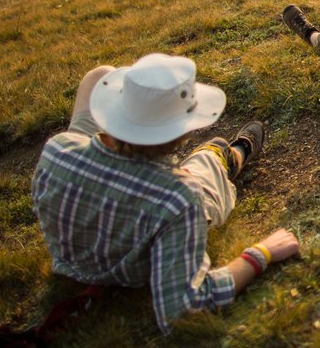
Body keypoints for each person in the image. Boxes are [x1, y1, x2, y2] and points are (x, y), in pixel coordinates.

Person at [32, 53, 300, 333]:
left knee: (100, 74)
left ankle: (214, 153)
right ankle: (230, 154)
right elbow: (181, 309)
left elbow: (93, 89)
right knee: (207, 163)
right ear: (181, 134)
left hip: (71, 256)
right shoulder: (178, 196)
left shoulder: (58, 149)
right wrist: (260, 254)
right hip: (132, 265)